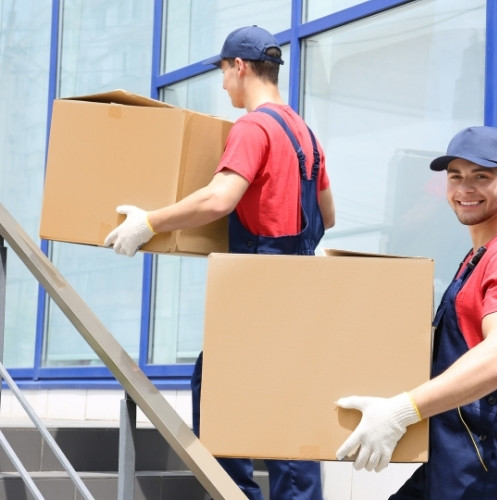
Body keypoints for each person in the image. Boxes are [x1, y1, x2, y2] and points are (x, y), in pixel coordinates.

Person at [103, 25, 334, 500]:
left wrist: (150, 222)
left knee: (223, 395)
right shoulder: (304, 134)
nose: (224, 83)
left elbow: (218, 199)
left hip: (258, 287)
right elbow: (327, 216)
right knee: (287, 403)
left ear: (240, 67)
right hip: (301, 285)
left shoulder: (253, 127)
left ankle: (235, 494)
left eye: (224, 73)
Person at [335, 126, 497, 499]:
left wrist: (401, 411)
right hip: (453, 459)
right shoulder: (480, 255)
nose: (464, 189)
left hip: (482, 469)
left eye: (481, 177)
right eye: (455, 177)